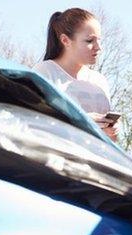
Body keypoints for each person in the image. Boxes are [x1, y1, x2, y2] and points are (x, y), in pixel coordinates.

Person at [33, 8, 118, 141]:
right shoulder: (45, 72)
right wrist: (82, 122)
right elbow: (34, 124)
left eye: (99, 40)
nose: (98, 47)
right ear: (65, 40)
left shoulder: (100, 80)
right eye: (90, 41)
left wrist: (111, 131)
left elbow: (110, 140)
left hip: (97, 158)